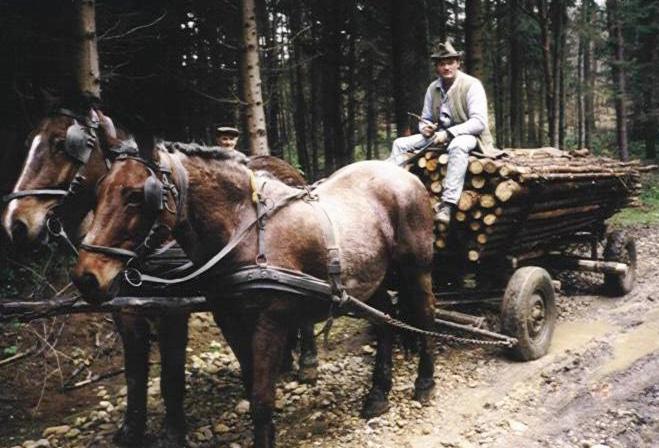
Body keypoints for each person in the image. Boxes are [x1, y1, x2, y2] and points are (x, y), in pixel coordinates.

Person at [388, 41, 498, 225]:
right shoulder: (433, 88)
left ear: (458, 63)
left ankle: (448, 204)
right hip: (439, 136)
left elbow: (479, 122)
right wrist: (427, 128)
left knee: (458, 145)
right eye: (441, 63)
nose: (446, 67)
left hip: (472, 137)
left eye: (450, 62)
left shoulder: (471, 85)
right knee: (400, 144)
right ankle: (392, 193)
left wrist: (448, 134)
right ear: (436, 67)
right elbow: (425, 118)